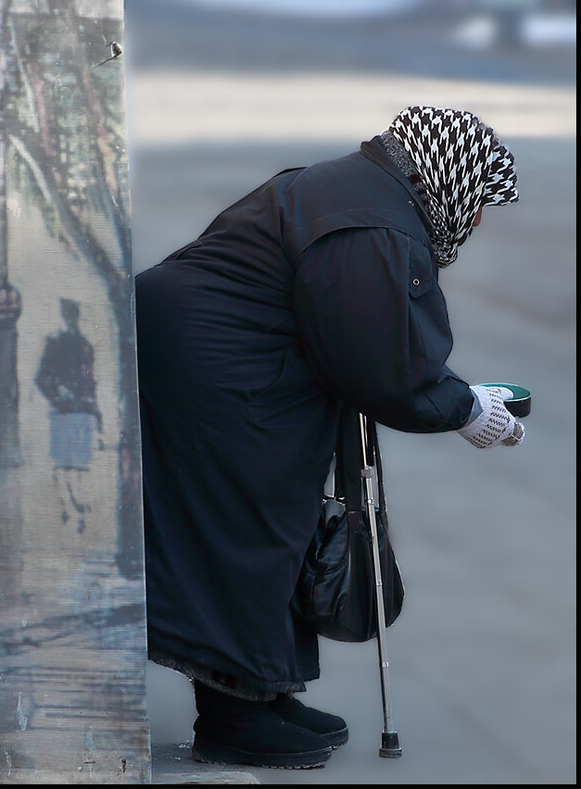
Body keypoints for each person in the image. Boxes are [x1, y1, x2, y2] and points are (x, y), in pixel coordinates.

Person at [135, 106, 524, 770]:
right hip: (215, 372)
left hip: (214, 360)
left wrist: (453, 393)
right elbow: (376, 359)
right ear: (445, 176)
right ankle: (234, 715)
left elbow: (368, 336)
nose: (479, 218)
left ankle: (263, 689)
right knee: (243, 524)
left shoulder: (360, 193)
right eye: (479, 200)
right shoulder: (371, 220)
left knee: (275, 516)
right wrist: (464, 409)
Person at [34, 297, 103, 534]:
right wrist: (57, 394)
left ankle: (78, 506)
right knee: (63, 464)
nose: (70, 319)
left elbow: (91, 382)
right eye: (67, 315)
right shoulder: (55, 343)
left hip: (81, 412)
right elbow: (41, 379)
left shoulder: (85, 345)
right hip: (63, 412)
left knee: (80, 464)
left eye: (72, 315)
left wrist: (97, 415)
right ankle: (67, 506)